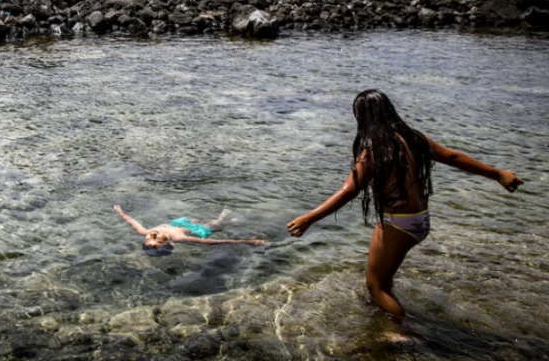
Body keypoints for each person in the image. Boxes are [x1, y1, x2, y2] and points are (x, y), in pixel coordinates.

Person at [287, 89, 523, 324]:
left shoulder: (373, 152)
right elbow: (452, 157)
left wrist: (309, 217)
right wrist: (498, 174)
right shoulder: (414, 139)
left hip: (398, 224)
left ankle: (404, 334)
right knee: (383, 280)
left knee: (375, 286)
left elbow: (349, 190)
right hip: (420, 220)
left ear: (363, 118)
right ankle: (383, 315)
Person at [114, 204, 267, 256]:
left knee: (207, 223)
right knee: (213, 225)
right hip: (187, 227)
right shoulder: (177, 238)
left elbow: (132, 221)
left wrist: (121, 213)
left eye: (153, 235)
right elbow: (214, 242)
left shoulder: (148, 232)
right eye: (157, 236)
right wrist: (249, 241)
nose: (155, 233)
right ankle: (224, 217)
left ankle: (226, 220)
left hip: (181, 224)